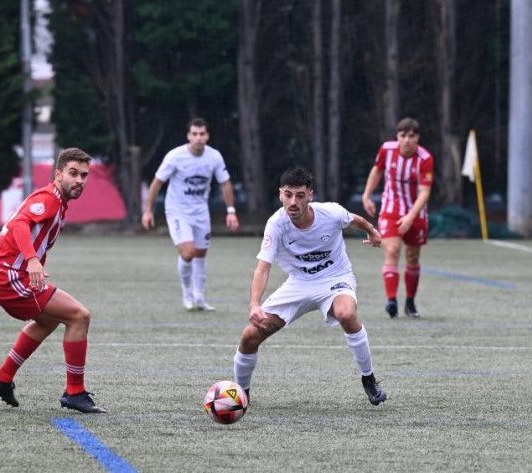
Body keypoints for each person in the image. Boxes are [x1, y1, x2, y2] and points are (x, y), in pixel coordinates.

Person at [232, 167, 388, 407]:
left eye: (300, 195)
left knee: (347, 314)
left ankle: (369, 380)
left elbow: (355, 220)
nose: (293, 201)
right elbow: (263, 268)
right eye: (288, 195)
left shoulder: (331, 213)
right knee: (250, 336)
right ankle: (241, 395)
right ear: (280, 195)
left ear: (310, 196)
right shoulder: (276, 224)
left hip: (335, 278)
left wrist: (373, 232)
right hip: (299, 283)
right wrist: (254, 304)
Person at [0, 148, 106, 414]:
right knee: (79, 316)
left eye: (84, 175)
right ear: (58, 174)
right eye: (73, 174)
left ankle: (3, 378)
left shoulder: (58, 202)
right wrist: (32, 260)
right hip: (8, 276)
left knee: (49, 320)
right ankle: (75, 392)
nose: (79, 181)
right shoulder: (49, 198)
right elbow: (19, 225)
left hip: (7, 274)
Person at [141, 118, 240, 311]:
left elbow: (225, 183)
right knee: (188, 253)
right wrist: (148, 210)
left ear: (207, 136)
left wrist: (231, 211)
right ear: (188, 136)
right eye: (194, 134)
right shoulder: (175, 156)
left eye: (202, 134)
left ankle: (200, 297)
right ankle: (187, 293)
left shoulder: (214, 157)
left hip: (201, 211)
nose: (198, 138)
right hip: (177, 211)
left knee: (201, 254)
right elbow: (157, 182)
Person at [361, 117, 433, 318]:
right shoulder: (387, 150)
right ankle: (391, 301)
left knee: (412, 257)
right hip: (391, 210)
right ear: (398, 137)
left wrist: (410, 216)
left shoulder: (425, 158)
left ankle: (410, 302)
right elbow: (377, 170)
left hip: (416, 213)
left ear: (417, 137)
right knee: (392, 250)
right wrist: (367, 195)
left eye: (411, 136)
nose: (407, 140)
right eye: (403, 135)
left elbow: (425, 192)